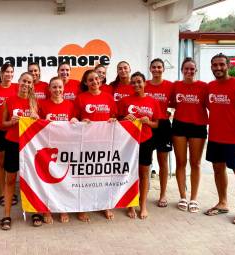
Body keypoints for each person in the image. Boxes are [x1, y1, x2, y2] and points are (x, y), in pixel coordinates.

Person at [204, 53, 235, 225]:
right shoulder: (210, 87)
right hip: (215, 138)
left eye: (221, 65)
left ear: (228, 66)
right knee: (218, 170)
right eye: (215, 65)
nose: (218, 68)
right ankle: (223, 202)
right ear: (211, 67)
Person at [74, 69, 117, 222]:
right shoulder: (80, 98)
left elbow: (114, 117)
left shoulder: (108, 98)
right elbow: (74, 118)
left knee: (104, 174)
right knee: (85, 176)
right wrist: (79, 122)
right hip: (86, 143)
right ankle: (83, 206)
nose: (94, 82)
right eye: (91, 80)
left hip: (105, 142)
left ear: (101, 80)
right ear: (86, 83)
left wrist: (113, 121)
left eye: (97, 79)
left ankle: (105, 205)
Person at [118, 72, 160, 219]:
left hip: (146, 141)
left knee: (143, 174)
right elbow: (117, 121)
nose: (136, 85)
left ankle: (142, 205)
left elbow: (156, 124)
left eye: (139, 82)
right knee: (130, 174)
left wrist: (148, 122)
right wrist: (125, 119)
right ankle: (130, 205)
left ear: (144, 83)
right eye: (134, 82)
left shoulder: (153, 101)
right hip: (129, 142)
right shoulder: (124, 101)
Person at [0, 72, 39, 230]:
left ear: (32, 85)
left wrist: (36, 117)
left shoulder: (34, 102)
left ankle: (34, 211)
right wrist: (11, 122)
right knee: (10, 180)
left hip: (29, 145)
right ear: (19, 81)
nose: (26, 84)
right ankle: (7, 215)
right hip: (12, 143)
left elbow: (40, 126)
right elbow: (3, 123)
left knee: (31, 180)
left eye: (29, 82)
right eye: (24, 81)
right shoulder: (9, 100)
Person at [38, 76, 77, 225]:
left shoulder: (70, 105)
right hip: (47, 148)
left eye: (60, 87)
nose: (57, 90)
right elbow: (34, 125)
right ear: (49, 89)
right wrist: (42, 120)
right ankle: (47, 209)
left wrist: (75, 120)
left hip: (65, 147)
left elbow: (78, 123)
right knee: (47, 179)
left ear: (64, 89)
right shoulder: (43, 104)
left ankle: (62, 208)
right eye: (54, 87)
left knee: (63, 179)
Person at [172, 58, 208, 213]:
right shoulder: (176, 86)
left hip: (198, 127)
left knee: (196, 163)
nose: (189, 71)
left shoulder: (203, 87)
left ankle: (194, 198)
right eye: (186, 69)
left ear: (196, 70)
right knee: (180, 163)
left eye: (192, 69)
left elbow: (213, 105)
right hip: (179, 125)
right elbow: (169, 103)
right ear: (182, 70)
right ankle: (183, 196)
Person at [145, 58, 174, 208]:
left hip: (163, 126)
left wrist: (169, 112)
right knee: (145, 162)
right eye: (154, 67)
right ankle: (144, 190)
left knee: (163, 161)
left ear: (163, 69)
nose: (156, 70)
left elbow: (176, 103)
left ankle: (163, 194)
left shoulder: (170, 86)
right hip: (148, 125)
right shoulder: (144, 85)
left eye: (159, 67)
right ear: (150, 69)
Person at [0, 63, 19, 207]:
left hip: (14, 132)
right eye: (6, 72)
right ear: (1, 74)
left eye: (11, 72)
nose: (8, 74)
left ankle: (13, 192)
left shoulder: (17, 88)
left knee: (13, 165)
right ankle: (3, 192)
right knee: (2, 163)